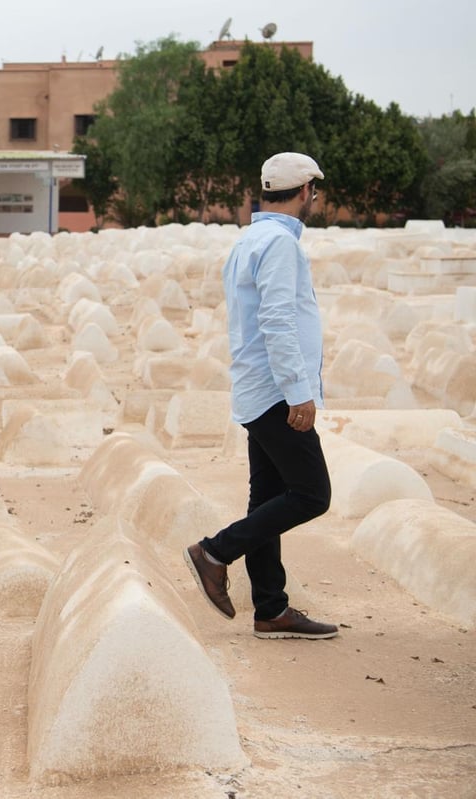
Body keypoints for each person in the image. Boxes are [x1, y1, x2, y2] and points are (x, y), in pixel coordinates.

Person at [184, 152, 337, 640]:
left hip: (256, 387)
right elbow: (276, 321)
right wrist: (299, 393)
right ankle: (215, 551)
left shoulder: (250, 238)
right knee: (313, 494)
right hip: (276, 392)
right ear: (305, 191)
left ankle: (271, 608)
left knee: (268, 497)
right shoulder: (279, 244)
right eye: (315, 190)